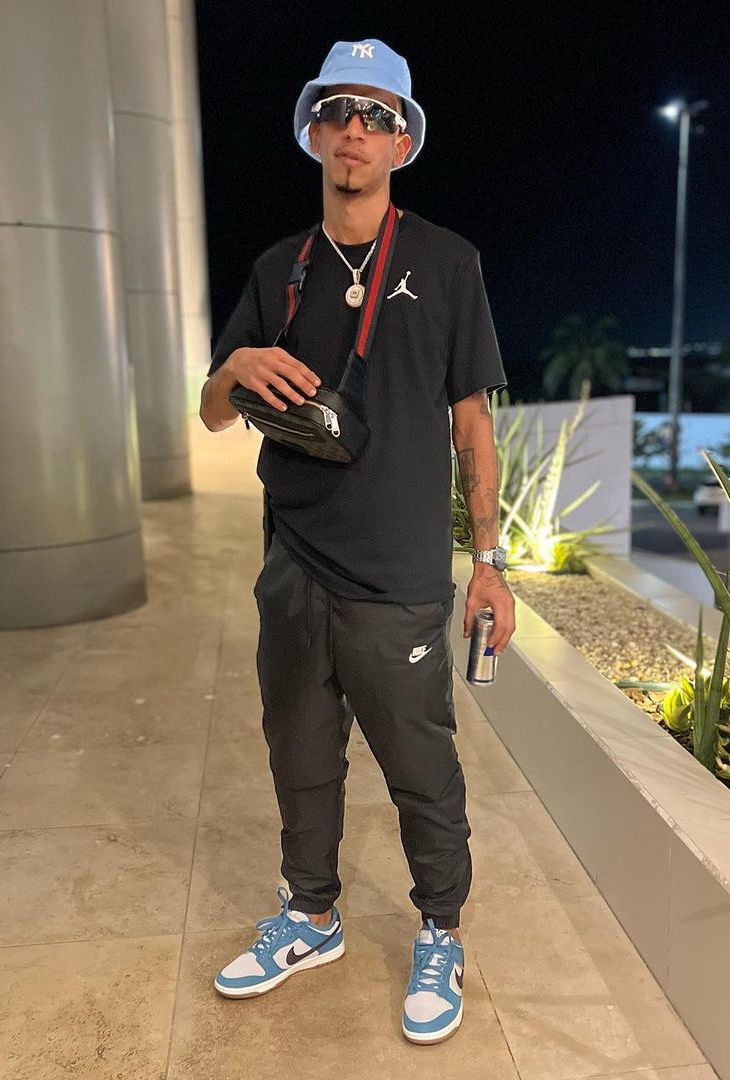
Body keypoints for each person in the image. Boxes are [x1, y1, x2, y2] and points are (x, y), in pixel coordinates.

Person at [199, 37, 515, 1045]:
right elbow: (213, 411)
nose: (356, 130)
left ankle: (440, 931)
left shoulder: (448, 262)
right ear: (315, 131)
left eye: (378, 116)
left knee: (422, 770)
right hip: (294, 563)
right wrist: (234, 367)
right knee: (298, 755)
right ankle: (311, 915)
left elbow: (473, 426)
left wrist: (489, 564)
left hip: (399, 576)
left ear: (402, 142)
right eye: (339, 110)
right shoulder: (277, 270)